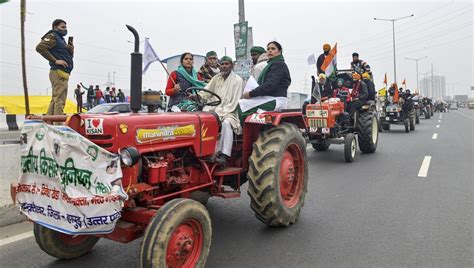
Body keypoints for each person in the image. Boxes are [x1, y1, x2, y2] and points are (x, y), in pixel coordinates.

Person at [199, 56, 243, 165]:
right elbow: (206, 91)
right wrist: (198, 96)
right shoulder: (216, 78)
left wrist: (220, 113)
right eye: (222, 64)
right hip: (213, 109)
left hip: (230, 111)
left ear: (231, 65)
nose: (224, 66)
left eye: (226, 64)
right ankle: (204, 152)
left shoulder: (238, 80)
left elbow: (234, 102)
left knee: (226, 123)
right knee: (201, 120)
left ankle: (224, 154)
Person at [238, 41, 291, 122]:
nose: (270, 51)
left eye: (273, 49)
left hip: (276, 99)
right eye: (268, 49)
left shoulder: (279, 64)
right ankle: (253, 129)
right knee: (244, 104)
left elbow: (270, 85)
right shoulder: (271, 64)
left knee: (242, 105)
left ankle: (245, 132)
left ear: (279, 51)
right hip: (268, 98)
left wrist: (250, 94)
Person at [36, 19, 74, 115]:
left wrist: (70, 49)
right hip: (58, 72)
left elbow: (66, 56)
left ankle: (50, 121)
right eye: (62, 27)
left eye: (66, 27)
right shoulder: (53, 36)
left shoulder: (61, 40)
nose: (65, 29)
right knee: (60, 100)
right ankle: (58, 124)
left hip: (62, 72)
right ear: (55, 27)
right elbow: (40, 48)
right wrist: (56, 61)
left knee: (55, 99)